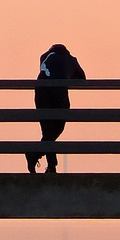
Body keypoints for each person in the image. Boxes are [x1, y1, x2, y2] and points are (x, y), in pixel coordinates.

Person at [27, 43, 85, 174]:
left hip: (41, 94)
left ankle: (44, 161)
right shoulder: (71, 60)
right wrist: (70, 77)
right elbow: (82, 78)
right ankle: (44, 161)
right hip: (59, 94)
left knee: (47, 131)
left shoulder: (44, 57)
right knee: (57, 129)